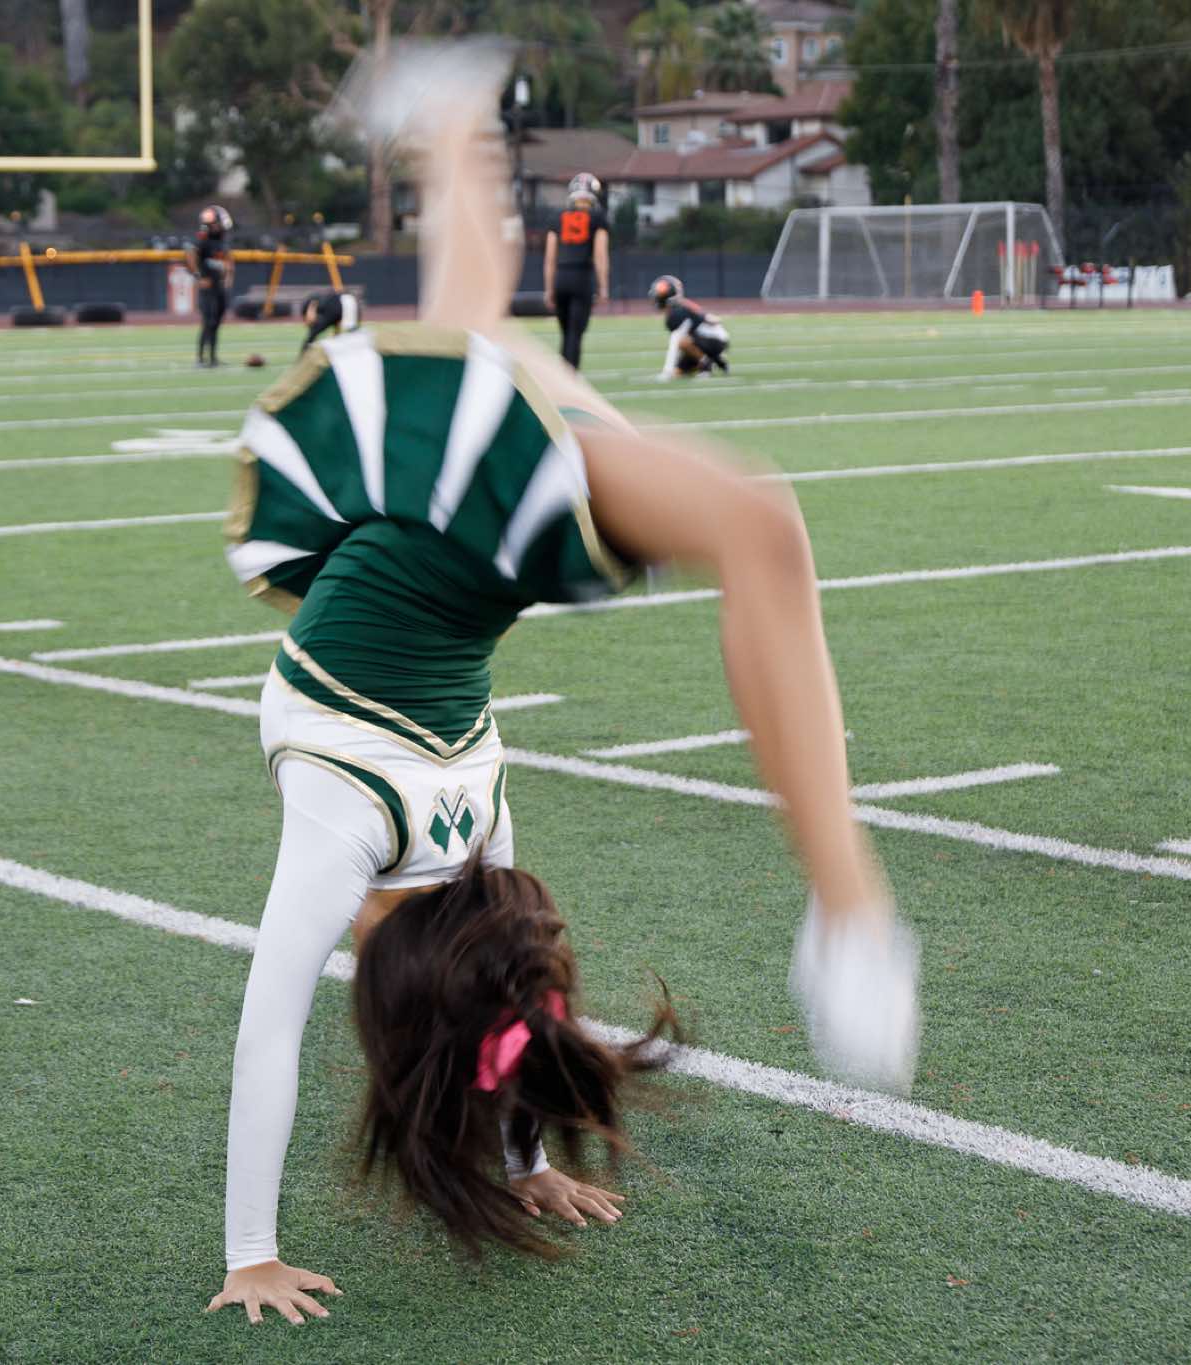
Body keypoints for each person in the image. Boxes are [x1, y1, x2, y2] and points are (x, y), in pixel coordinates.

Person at [208, 49, 919, 1328]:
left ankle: (848, 907)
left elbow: (268, 1030)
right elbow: (515, 1005)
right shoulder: (473, 845)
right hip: (437, 567)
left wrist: (249, 1254)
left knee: (755, 523)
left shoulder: (339, 832)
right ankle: (447, 119)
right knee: (478, 331)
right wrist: (525, 1162)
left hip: (436, 554)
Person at [543, 171, 609, 370]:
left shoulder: (557, 217)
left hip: (561, 277)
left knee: (565, 333)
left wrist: (549, 289)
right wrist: (603, 287)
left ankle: (563, 376)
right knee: (575, 333)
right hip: (582, 277)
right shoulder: (597, 218)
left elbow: (550, 258)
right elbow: (600, 256)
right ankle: (571, 376)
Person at [649, 274, 732, 378]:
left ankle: (707, 364)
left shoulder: (677, 314)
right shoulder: (679, 308)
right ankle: (716, 361)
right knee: (678, 373)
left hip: (715, 340)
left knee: (682, 341)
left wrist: (667, 371)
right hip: (707, 340)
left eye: (658, 296)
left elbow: (676, 341)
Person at [186, 205, 235, 367]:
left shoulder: (221, 240)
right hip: (207, 287)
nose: (220, 226)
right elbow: (190, 255)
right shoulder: (202, 239)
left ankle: (213, 358)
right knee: (208, 321)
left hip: (219, 286)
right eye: (217, 223)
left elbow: (229, 259)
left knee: (217, 322)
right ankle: (200, 358)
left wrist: (229, 276)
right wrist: (198, 276)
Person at [297, 289, 361, 353]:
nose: (305, 325)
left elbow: (312, 324)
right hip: (350, 300)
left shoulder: (319, 305)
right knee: (352, 337)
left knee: (352, 337)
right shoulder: (326, 305)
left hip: (346, 303)